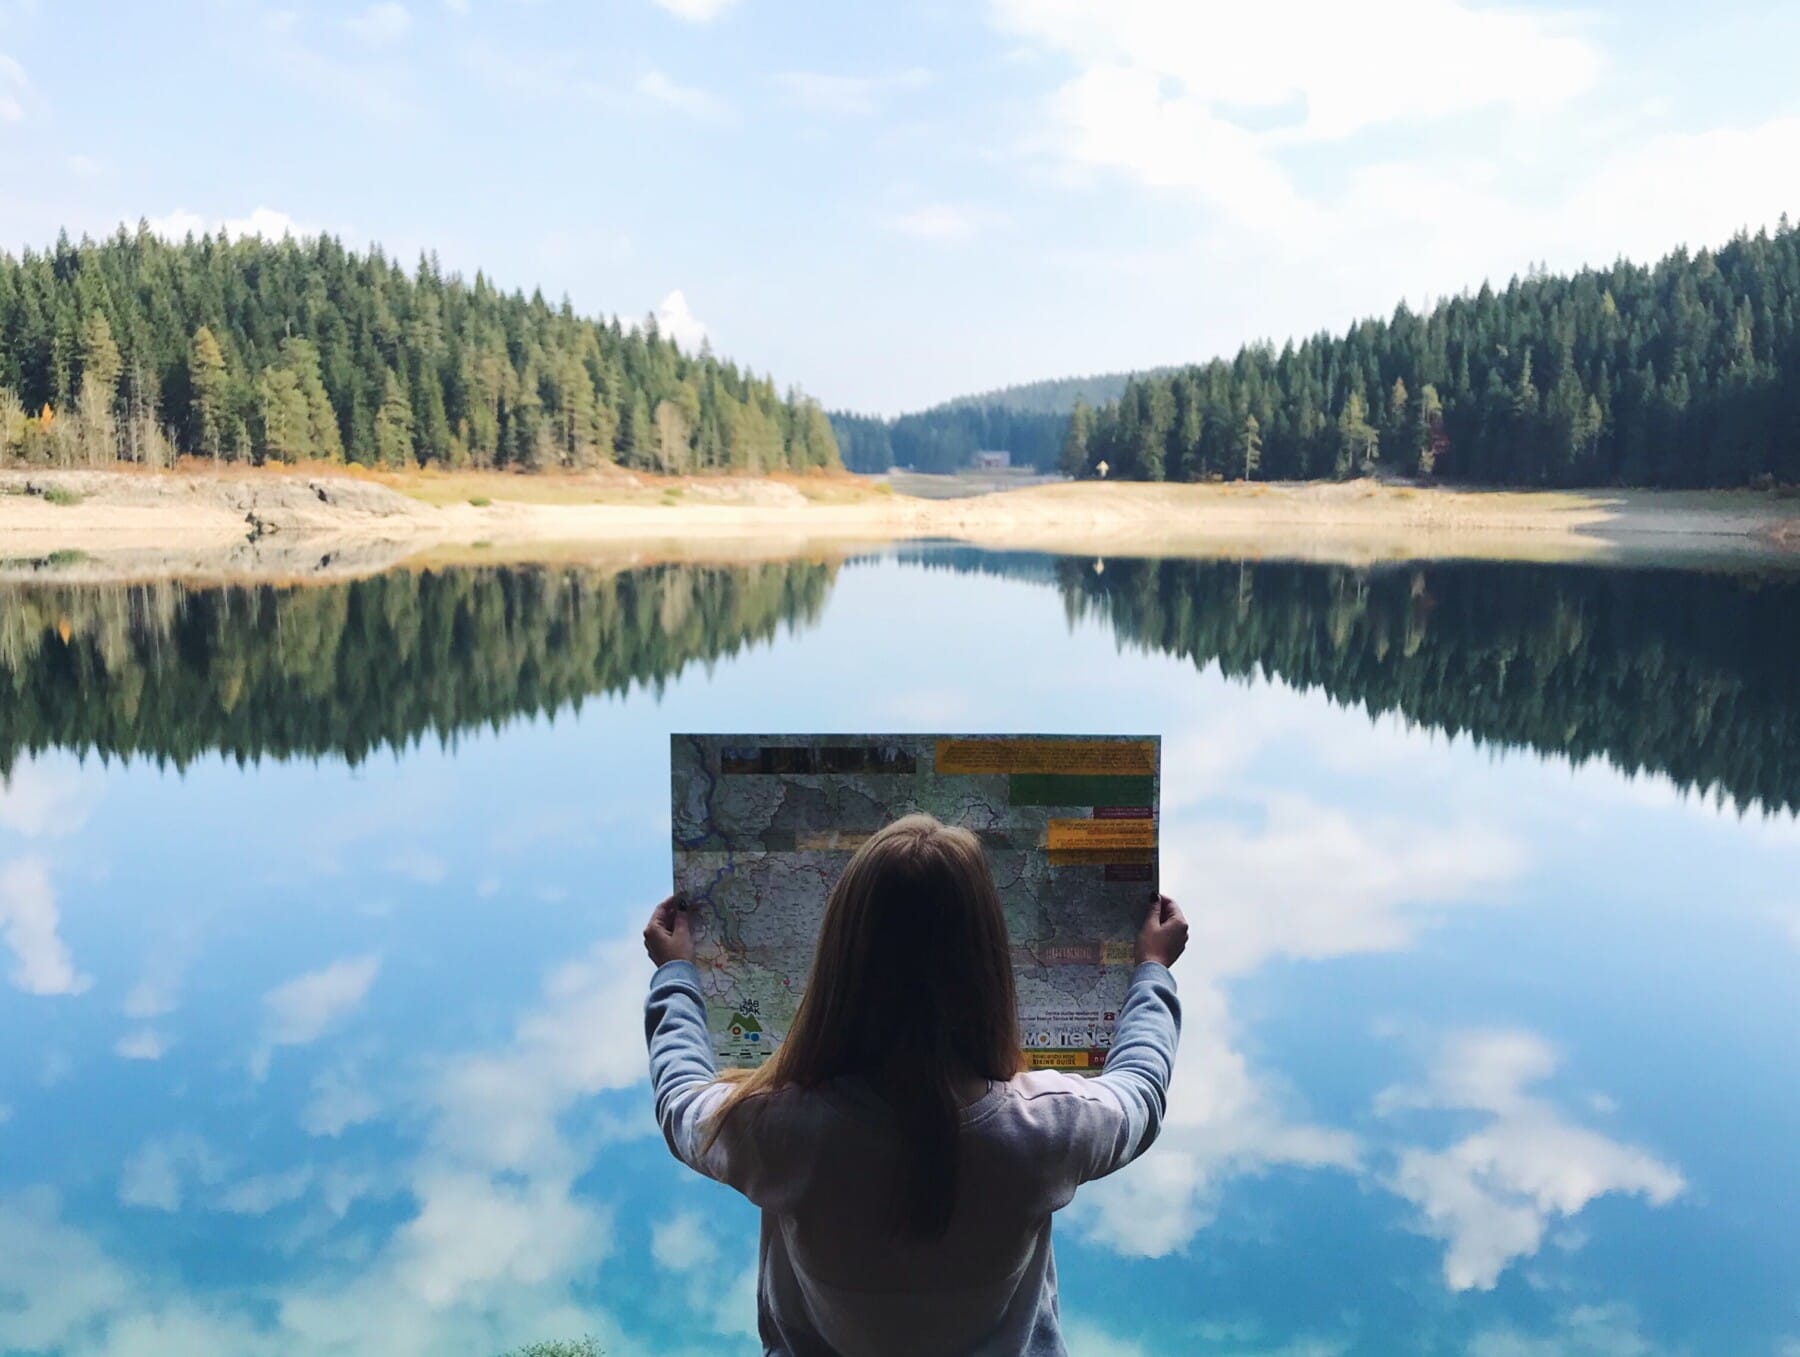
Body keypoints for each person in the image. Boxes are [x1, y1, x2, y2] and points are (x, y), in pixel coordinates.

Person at [643, 812, 1186, 1357]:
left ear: (839, 956)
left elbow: (681, 1097)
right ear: (985, 963)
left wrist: (676, 974)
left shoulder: (777, 1131)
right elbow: (1139, 1088)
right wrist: (1153, 969)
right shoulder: (1048, 1129)